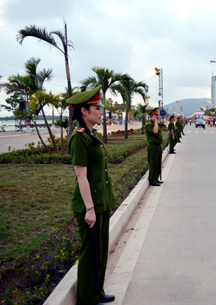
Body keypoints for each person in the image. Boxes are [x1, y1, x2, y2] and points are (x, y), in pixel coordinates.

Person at [67, 86, 116, 305]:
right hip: (89, 206)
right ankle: (87, 298)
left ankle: (97, 291)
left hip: (101, 202)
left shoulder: (91, 134)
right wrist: (89, 208)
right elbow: (81, 177)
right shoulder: (79, 139)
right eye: (97, 108)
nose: (100, 111)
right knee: (90, 252)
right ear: (84, 112)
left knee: (101, 250)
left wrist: (105, 203)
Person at [145, 108, 163, 187]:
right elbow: (155, 132)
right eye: (156, 115)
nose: (157, 117)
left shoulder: (155, 124)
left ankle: (156, 178)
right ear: (152, 116)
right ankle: (152, 180)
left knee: (158, 163)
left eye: (158, 115)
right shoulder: (149, 125)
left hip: (158, 146)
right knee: (153, 164)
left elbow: (159, 135)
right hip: (152, 146)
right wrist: (155, 122)